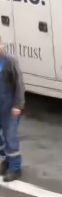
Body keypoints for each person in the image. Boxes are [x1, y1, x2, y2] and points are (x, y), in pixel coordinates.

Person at [0, 37, 26, 183]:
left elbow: (19, 84)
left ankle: (15, 168)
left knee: (10, 136)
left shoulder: (10, 61)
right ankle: (5, 161)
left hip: (9, 106)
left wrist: (18, 105)